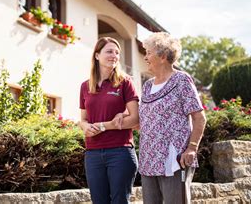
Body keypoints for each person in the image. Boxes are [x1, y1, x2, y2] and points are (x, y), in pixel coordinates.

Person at [138, 32, 206, 204]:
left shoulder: (181, 80)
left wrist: (191, 148)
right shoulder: (147, 86)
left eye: (148, 53)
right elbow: (144, 120)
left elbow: (199, 117)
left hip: (174, 159)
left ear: (162, 56)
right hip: (148, 159)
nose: (145, 57)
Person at [79, 37, 140, 204]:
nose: (114, 55)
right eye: (109, 51)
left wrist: (103, 126)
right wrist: (85, 127)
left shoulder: (125, 82)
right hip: (92, 153)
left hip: (120, 152)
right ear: (97, 55)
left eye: (117, 52)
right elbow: (83, 119)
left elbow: (135, 119)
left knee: (119, 201)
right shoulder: (85, 86)